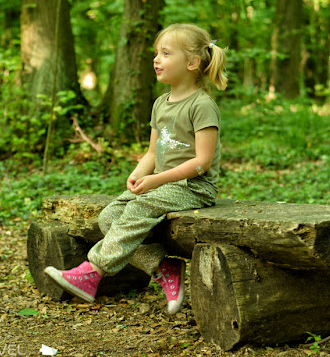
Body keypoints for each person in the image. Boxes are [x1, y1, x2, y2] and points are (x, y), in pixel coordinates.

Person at [44, 23, 227, 315]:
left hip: (194, 188)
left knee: (137, 209)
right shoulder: (160, 104)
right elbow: (154, 152)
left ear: (192, 63)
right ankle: (164, 266)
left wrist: (155, 181)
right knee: (109, 218)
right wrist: (140, 173)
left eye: (166, 53)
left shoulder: (201, 105)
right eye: (157, 53)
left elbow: (201, 162)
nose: (156, 59)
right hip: (164, 186)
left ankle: (92, 272)